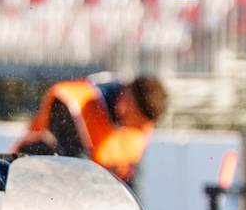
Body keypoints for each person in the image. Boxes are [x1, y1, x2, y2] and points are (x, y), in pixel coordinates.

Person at [13, 73, 168, 183]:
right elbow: (72, 169)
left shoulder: (142, 125)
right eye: (137, 123)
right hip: (31, 178)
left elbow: (131, 184)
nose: (138, 130)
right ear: (126, 102)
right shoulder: (75, 103)